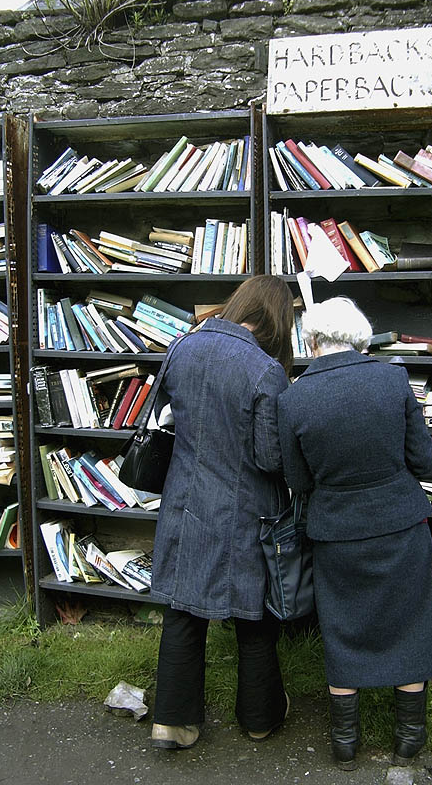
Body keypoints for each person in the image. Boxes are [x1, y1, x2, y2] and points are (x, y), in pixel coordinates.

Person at [277, 297, 432, 769]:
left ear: (311, 339)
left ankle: (345, 744)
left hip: (337, 532)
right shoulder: (393, 379)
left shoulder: (293, 399)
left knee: (343, 630)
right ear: (359, 336)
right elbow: (424, 460)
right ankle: (409, 738)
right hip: (400, 524)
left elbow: (298, 480)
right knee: (408, 623)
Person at [150, 275, 295, 750]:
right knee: (253, 615)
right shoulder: (265, 371)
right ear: (276, 321)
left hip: (185, 501)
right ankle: (259, 719)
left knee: (183, 610)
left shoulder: (181, 348)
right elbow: (270, 459)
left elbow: (168, 419)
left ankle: (171, 723)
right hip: (245, 510)